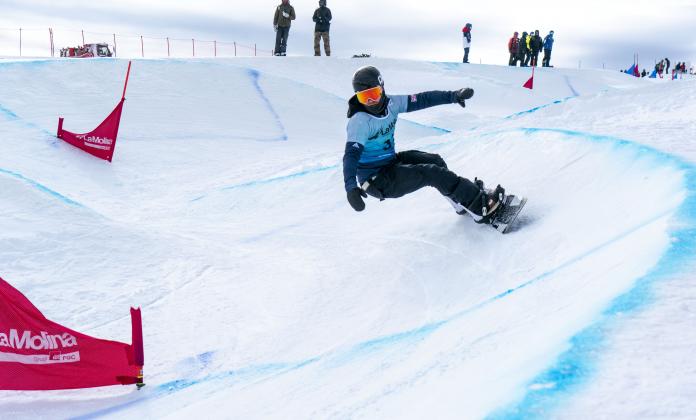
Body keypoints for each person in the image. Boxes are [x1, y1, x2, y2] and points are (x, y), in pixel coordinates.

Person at [342, 66, 505, 224]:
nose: (370, 102)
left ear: (382, 89)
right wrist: (350, 187)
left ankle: (462, 202)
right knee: (431, 173)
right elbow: (351, 156)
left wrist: (453, 96)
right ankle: (479, 207)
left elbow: (422, 99)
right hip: (376, 179)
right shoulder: (360, 122)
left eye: (374, 94)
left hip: (390, 162)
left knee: (436, 161)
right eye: (364, 97)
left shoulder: (392, 104)